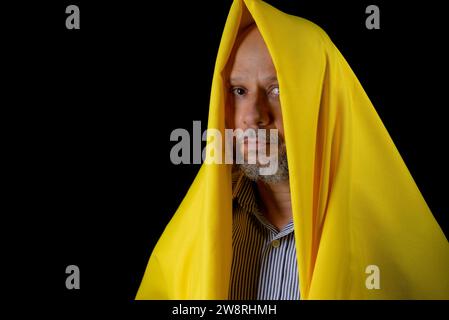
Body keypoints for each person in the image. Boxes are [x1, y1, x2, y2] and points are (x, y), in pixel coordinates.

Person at [136, 0, 449, 299]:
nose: (254, 116)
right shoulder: (189, 237)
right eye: (239, 90)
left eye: (277, 89)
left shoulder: (400, 249)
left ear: (324, 101)